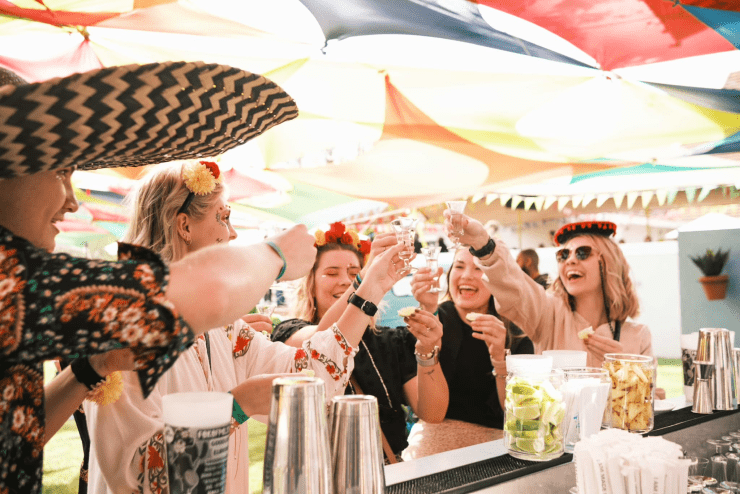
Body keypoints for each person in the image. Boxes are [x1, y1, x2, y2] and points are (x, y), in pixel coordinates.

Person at [0, 61, 315, 494]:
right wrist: (276, 256)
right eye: (59, 172)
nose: (70, 201)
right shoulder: (10, 279)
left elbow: (19, 430)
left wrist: (93, 368)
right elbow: (195, 295)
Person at [83, 162, 406, 493]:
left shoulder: (220, 327)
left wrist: (371, 289)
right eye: (223, 217)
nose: (233, 233)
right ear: (184, 226)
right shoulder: (123, 327)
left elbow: (310, 371)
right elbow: (140, 472)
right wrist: (236, 405)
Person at [271, 223, 449, 463]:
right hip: (321, 474)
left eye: (354, 272)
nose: (345, 281)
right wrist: (364, 280)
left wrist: (427, 346)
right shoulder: (289, 331)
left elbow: (433, 413)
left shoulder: (391, 341)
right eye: (331, 273)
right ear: (310, 284)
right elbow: (320, 342)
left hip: (387, 475)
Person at [445, 215, 654, 370]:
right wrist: (484, 245)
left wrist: (628, 368)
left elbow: (649, 405)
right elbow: (515, 286)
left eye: (582, 253)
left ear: (609, 262)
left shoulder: (638, 337)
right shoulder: (548, 315)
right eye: (563, 254)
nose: (571, 260)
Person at [405, 247, 534, 458]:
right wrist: (428, 310)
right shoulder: (434, 320)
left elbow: (518, 414)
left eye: (478, 268)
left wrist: (500, 359)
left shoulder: (516, 333)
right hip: (434, 445)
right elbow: (426, 410)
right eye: (459, 266)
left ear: (498, 279)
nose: (466, 275)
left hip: (498, 448)